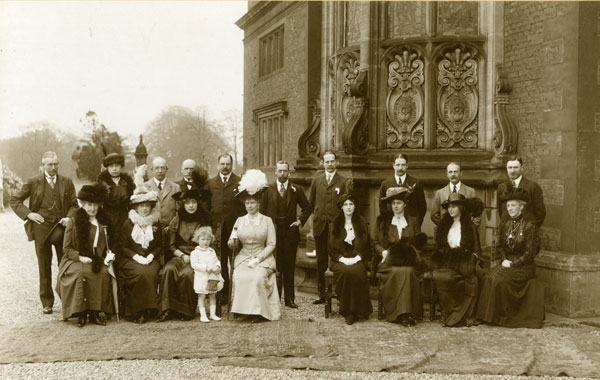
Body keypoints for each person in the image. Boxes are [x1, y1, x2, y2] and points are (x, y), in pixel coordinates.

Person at [10, 151, 77, 314]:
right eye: (49, 164)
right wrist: (29, 214)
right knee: (44, 265)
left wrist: (68, 218)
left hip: (61, 227)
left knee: (65, 263)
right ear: (43, 165)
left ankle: (68, 299)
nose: (53, 168)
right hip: (41, 228)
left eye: (55, 164)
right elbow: (14, 200)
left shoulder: (67, 182)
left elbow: (75, 205)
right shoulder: (34, 182)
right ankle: (47, 302)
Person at [477, 187, 545, 328]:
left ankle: (502, 318)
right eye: (508, 205)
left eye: (513, 205)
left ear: (521, 207)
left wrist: (513, 264)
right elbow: (500, 246)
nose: (510, 208)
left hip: (524, 266)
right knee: (488, 277)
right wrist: (503, 260)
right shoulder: (506, 224)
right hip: (508, 262)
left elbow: (530, 253)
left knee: (499, 280)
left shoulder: (530, 225)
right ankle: (487, 317)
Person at [56, 184, 115, 327]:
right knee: (80, 273)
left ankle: (95, 311)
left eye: (95, 205)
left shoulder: (103, 224)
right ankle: (80, 312)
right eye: (89, 205)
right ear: (82, 205)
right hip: (74, 259)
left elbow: (108, 245)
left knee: (102, 273)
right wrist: (79, 257)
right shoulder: (74, 221)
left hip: (96, 259)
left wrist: (108, 255)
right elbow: (67, 248)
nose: (92, 209)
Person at [228, 169, 280, 322]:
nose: (250, 206)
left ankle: (258, 312)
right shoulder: (239, 220)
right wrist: (232, 243)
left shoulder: (267, 221)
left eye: (253, 203)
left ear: (258, 204)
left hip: (263, 257)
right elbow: (233, 240)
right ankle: (242, 310)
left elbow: (271, 244)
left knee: (257, 276)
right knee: (239, 275)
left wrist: (259, 258)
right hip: (244, 257)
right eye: (247, 203)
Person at [260, 161, 312, 308]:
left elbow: (307, 207)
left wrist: (300, 221)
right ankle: (274, 298)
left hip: (290, 232)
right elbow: (262, 212)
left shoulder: (296, 189)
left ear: (289, 173)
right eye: (280, 171)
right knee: (275, 265)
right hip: (273, 232)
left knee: (289, 266)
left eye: (285, 171)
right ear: (275, 172)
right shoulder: (267, 190)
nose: (282, 174)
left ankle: (290, 299)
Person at [157, 188, 212, 322]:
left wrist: (194, 256)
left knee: (186, 274)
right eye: (187, 203)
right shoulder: (177, 220)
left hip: (198, 256)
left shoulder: (204, 220)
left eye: (193, 202)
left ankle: (184, 310)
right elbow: (171, 245)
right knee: (169, 270)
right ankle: (166, 309)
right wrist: (181, 255)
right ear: (183, 204)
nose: (191, 206)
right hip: (180, 255)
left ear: (198, 204)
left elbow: (207, 244)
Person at [373, 187, 423, 325]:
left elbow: (419, 244)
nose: (395, 206)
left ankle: (407, 313)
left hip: (409, 262)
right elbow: (376, 242)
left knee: (408, 271)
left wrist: (414, 254)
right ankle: (398, 313)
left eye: (399, 203)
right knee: (397, 272)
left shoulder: (413, 221)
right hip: (388, 262)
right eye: (393, 203)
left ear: (405, 204)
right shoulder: (383, 221)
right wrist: (383, 252)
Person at [117, 173, 162, 324]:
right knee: (140, 274)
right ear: (136, 207)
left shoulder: (156, 223)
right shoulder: (128, 223)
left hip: (151, 258)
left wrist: (150, 257)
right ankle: (135, 311)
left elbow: (160, 245)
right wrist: (137, 257)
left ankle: (149, 309)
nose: (144, 209)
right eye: (141, 206)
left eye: (147, 206)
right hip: (130, 259)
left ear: (151, 207)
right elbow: (123, 247)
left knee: (148, 273)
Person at [431, 193, 481, 327]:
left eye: (454, 206)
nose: (450, 210)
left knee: (472, 280)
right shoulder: (443, 226)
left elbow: (477, 250)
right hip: (446, 261)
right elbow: (439, 247)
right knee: (441, 277)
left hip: (464, 261)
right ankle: (449, 313)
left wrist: (471, 261)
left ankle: (466, 316)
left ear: (461, 208)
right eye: (449, 207)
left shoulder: (469, 226)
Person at [308, 151, 349, 304]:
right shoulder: (316, 180)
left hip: (337, 228)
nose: (330, 164)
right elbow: (311, 204)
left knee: (337, 259)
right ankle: (322, 294)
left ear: (336, 162)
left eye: (332, 161)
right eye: (327, 162)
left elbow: (347, 206)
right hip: (320, 226)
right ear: (322, 163)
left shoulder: (343, 181)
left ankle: (338, 292)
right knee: (321, 261)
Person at [328, 193, 373, 325]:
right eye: (345, 205)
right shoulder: (335, 224)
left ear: (354, 206)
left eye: (351, 204)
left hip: (358, 258)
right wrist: (342, 259)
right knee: (346, 272)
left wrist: (357, 257)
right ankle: (347, 311)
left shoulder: (362, 222)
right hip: (339, 259)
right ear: (341, 207)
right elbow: (330, 249)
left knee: (357, 272)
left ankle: (358, 310)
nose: (348, 207)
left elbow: (367, 247)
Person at [206, 153, 245, 304]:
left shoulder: (240, 182)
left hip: (235, 230)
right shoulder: (211, 183)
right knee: (220, 263)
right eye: (222, 164)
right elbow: (207, 207)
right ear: (218, 165)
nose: (225, 167)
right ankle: (223, 296)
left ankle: (237, 297)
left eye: (228, 164)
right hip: (217, 230)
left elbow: (243, 208)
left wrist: (239, 228)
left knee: (235, 262)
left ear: (232, 165)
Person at [378, 154, 427, 227]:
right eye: (397, 165)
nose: (400, 168)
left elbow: (422, 206)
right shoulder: (385, 184)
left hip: (411, 226)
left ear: (407, 165)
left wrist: (416, 223)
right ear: (393, 165)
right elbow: (382, 206)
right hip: (392, 225)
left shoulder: (416, 183)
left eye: (403, 165)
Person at [497, 156, 546, 228]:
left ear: (521, 168)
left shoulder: (533, 187)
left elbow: (540, 214)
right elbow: (501, 211)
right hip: (506, 232)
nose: (512, 171)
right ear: (506, 169)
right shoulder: (501, 187)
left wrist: (530, 230)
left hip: (526, 234)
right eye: (510, 167)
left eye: (515, 167)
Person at [97, 153, 135, 243]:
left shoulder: (127, 182)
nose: (114, 168)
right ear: (107, 168)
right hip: (108, 218)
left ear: (121, 167)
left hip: (125, 218)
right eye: (111, 166)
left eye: (117, 165)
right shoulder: (102, 183)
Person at [190, 226, 223, 323]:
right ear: (198, 240)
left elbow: (216, 261)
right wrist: (206, 268)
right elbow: (194, 265)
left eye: (208, 239)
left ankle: (212, 314)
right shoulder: (195, 252)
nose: (205, 242)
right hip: (201, 277)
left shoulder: (211, 251)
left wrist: (218, 267)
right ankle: (203, 315)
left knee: (213, 294)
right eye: (203, 239)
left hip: (212, 277)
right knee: (202, 296)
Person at [430, 162, 477, 227]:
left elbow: (477, 217)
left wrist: (468, 230)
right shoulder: (439, 193)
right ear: (447, 174)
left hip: (465, 234)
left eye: (456, 172)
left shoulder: (471, 191)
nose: (453, 174)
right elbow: (434, 215)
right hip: (446, 235)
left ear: (461, 174)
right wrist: (445, 227)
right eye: (450, 172)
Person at [144, 157, 181, 227]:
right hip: (151, 229)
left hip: (171, 229)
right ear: (152, 169)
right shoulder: (145, 187)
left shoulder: (176, 188)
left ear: (166, 169)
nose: (160, 171)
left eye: (162, 168)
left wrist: (172, 225)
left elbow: (179, 211)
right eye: (157, 168)